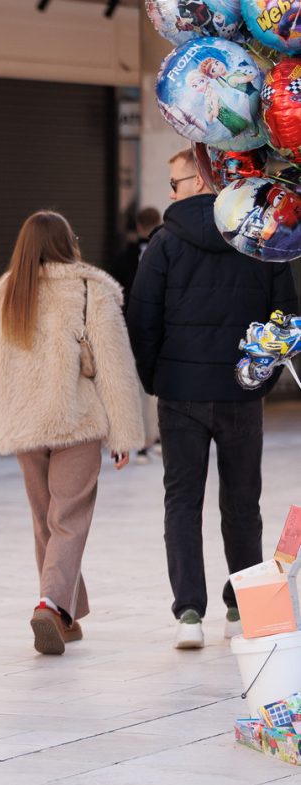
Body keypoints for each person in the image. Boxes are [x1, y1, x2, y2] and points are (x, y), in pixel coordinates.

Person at [127, 148, 298, 650]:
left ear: (200, 181)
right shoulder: (258, 240)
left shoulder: (163, 245)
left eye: (175, 182)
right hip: (240, 394)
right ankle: (241, 608)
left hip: (180, 394)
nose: (170, 192)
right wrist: (261, 378)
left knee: (182, 501)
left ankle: (188, 614)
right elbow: (285, 318)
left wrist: (157, 378)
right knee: (243, 502)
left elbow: (141, 321)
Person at [0, 210, 144, 656]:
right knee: (68, 519)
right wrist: (124, 434)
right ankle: (50, 605)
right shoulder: (90, 289)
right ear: (68, 243)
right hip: (76, 420)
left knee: (46, 520)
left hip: (24, 425)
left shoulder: (6, 292)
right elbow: (115, 368)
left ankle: (64, 615)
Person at [109, 206, 163, 464]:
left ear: (138, 226)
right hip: (163, 329)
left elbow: (116, 297)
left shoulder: (123, 258)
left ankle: (142, 443)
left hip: (131, 330)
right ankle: (158, 437)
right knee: (160, 384)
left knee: (137, 386)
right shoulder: (169, 251)